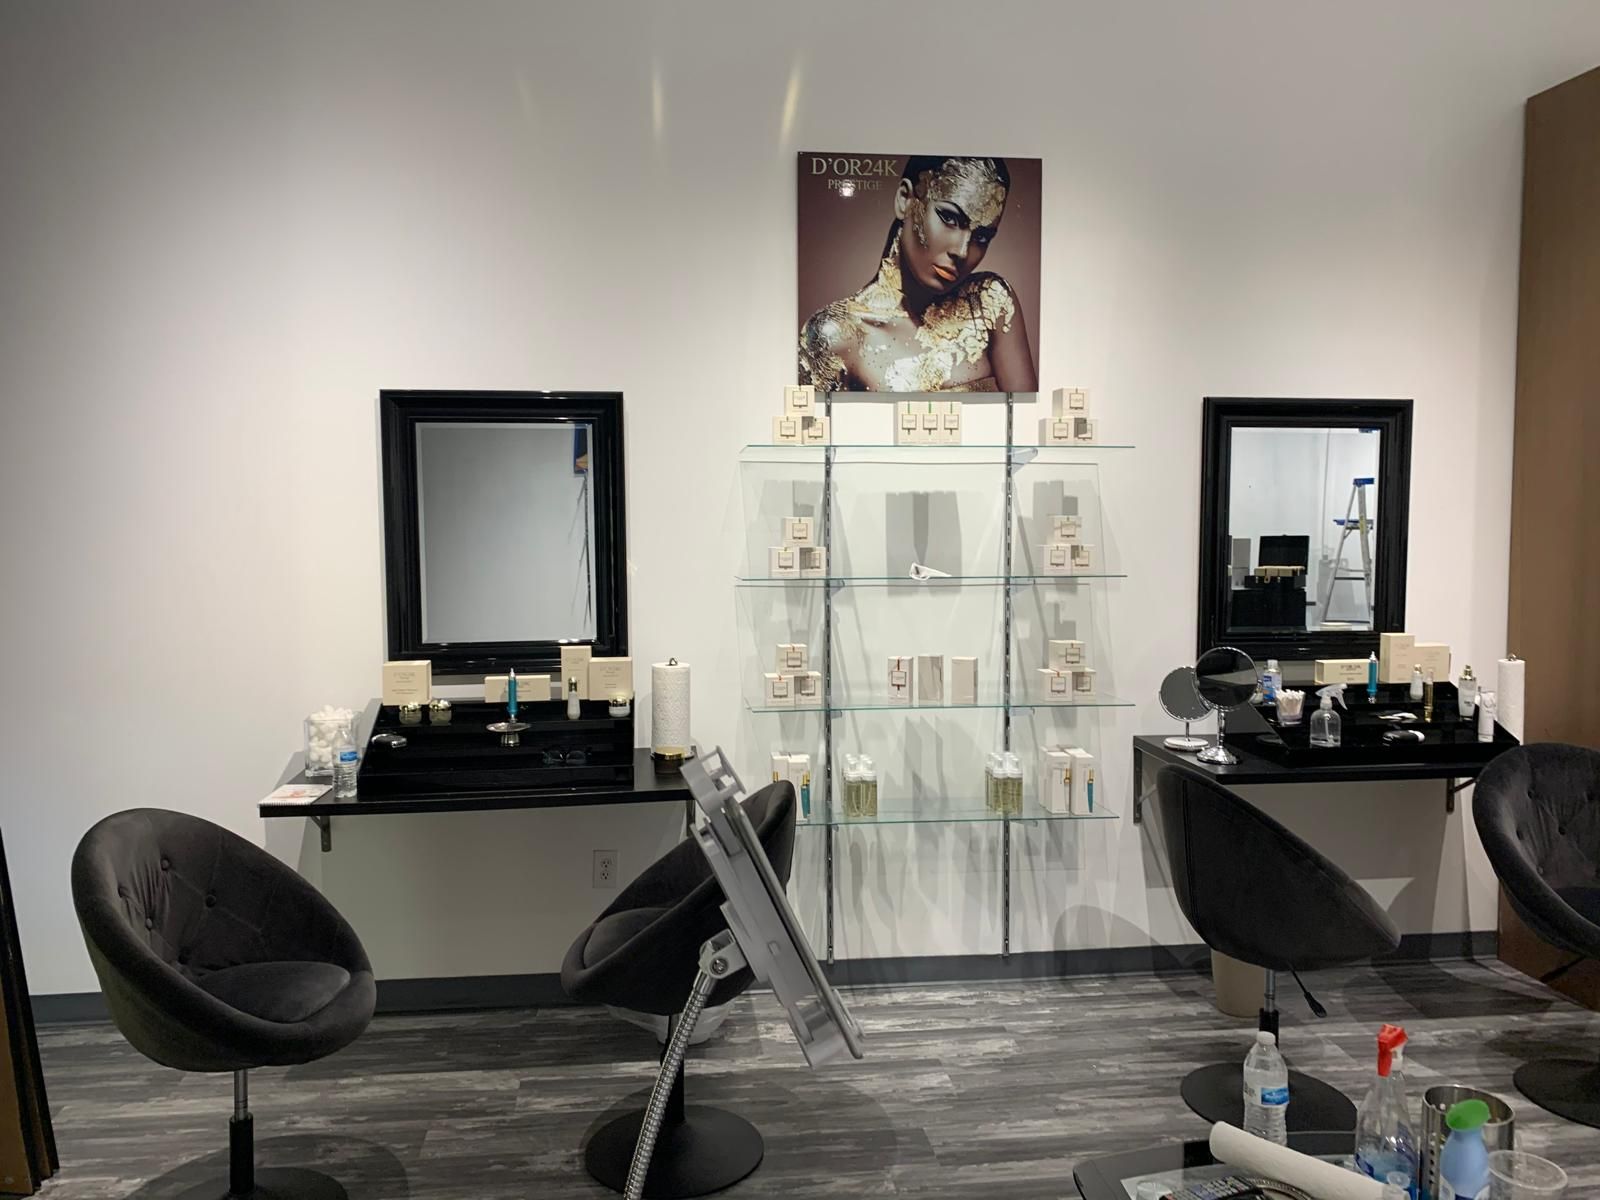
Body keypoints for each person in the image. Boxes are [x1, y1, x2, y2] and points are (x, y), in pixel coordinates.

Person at [799, 156, 1037, 392]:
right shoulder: (834, 334)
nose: (962, 251)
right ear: (905, 200)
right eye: (950, 218)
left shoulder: (989, 302)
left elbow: (1026, 419)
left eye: (982, 237)